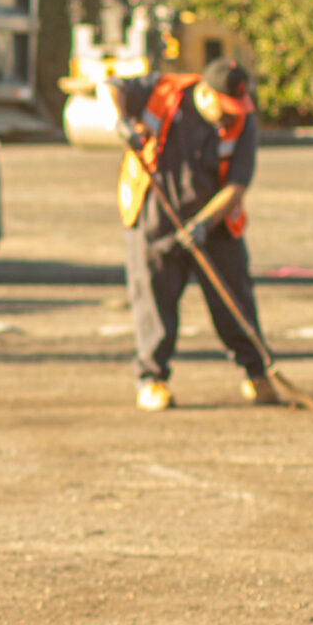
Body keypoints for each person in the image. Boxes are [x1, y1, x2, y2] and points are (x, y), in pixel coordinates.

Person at [107, 58, 272, 410]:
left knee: (235, 297)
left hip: (214, 221)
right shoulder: (164, 92)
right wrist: (122, 121)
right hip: (155, 214)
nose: (232, 115)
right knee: (153, 300)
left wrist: (203, 224)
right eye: (226, 108)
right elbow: (114, 86)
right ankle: (152, 380)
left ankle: (257, 373)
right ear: (206, 95)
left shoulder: (243, 123)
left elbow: (237, 186)